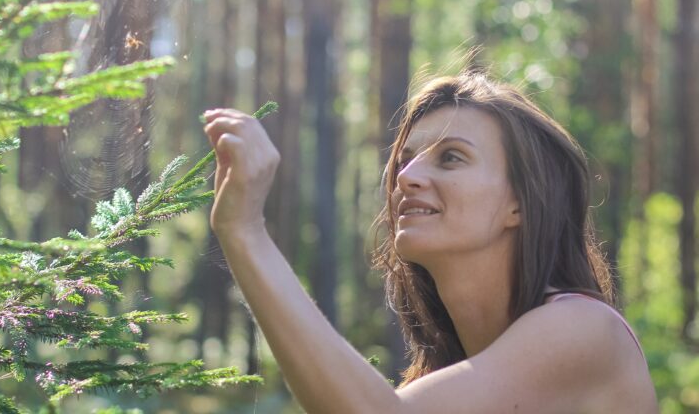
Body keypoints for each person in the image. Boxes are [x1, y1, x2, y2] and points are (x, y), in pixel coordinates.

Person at [201, 72, 658, 413]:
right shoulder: (449, 373)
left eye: (451, 157)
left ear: (520, 204)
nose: (407, 176)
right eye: (406, 159)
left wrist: (246, 231)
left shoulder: (584, 328)